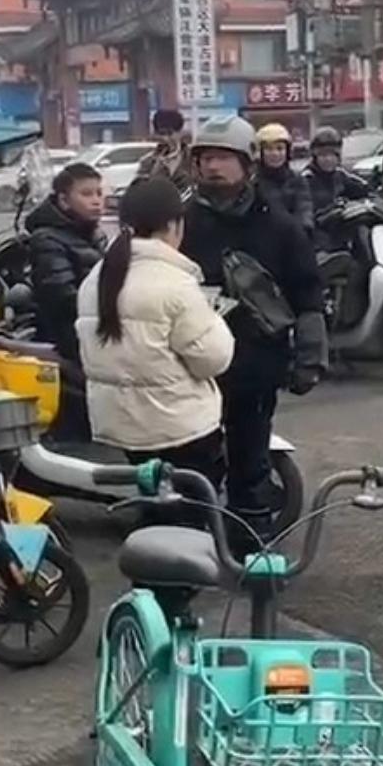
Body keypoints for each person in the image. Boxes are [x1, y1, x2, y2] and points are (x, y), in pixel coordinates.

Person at [181, 114, 326, 543]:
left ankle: (250, 541)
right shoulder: (182, 222)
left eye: (223, 158)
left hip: (255, 363)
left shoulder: (278, 224)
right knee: (193, 463)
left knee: (251, 458)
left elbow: (307, 291)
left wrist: (310, 357)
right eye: (205, 157)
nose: (213, 167)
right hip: (192, 366)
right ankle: (195, 544)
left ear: (248, 164)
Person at [76, 173, 234, 501]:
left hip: (123, 426)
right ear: (174, 224)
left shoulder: (96, 278)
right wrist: (215, 320)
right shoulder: (175, 283)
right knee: (189, 517)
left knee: (152, 507)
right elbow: (213, 359)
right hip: (178, 427)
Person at [24, 162, 105, 436]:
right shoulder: (47, 239)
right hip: (70, 339)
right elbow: (61, 295)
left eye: (98, 193)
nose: (96, 200)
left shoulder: (94, 235)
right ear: (63, 200)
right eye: (86, 194)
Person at [255, 122, 314, 231]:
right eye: (269, 149)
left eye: (280, 148)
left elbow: (304, 207)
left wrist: (304, 228)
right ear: (261, 153)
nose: (275, 154)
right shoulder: (253, 182)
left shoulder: (297, 180)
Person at [305, 126, 372, 222]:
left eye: (332, 155)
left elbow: (361, 187)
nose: (328, 159)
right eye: (323, 155)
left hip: (341, 228)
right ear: (315, 157)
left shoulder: (340, 174)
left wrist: (377, 187)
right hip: (317, 230)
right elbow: (304, 211)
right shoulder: (307, 179)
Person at [137, 107, 193, 193]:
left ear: (180, 133)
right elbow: (141, 189)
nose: (165, 138)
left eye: (169, 133)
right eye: (161, 134)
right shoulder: (148, 162)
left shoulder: (193, 158)